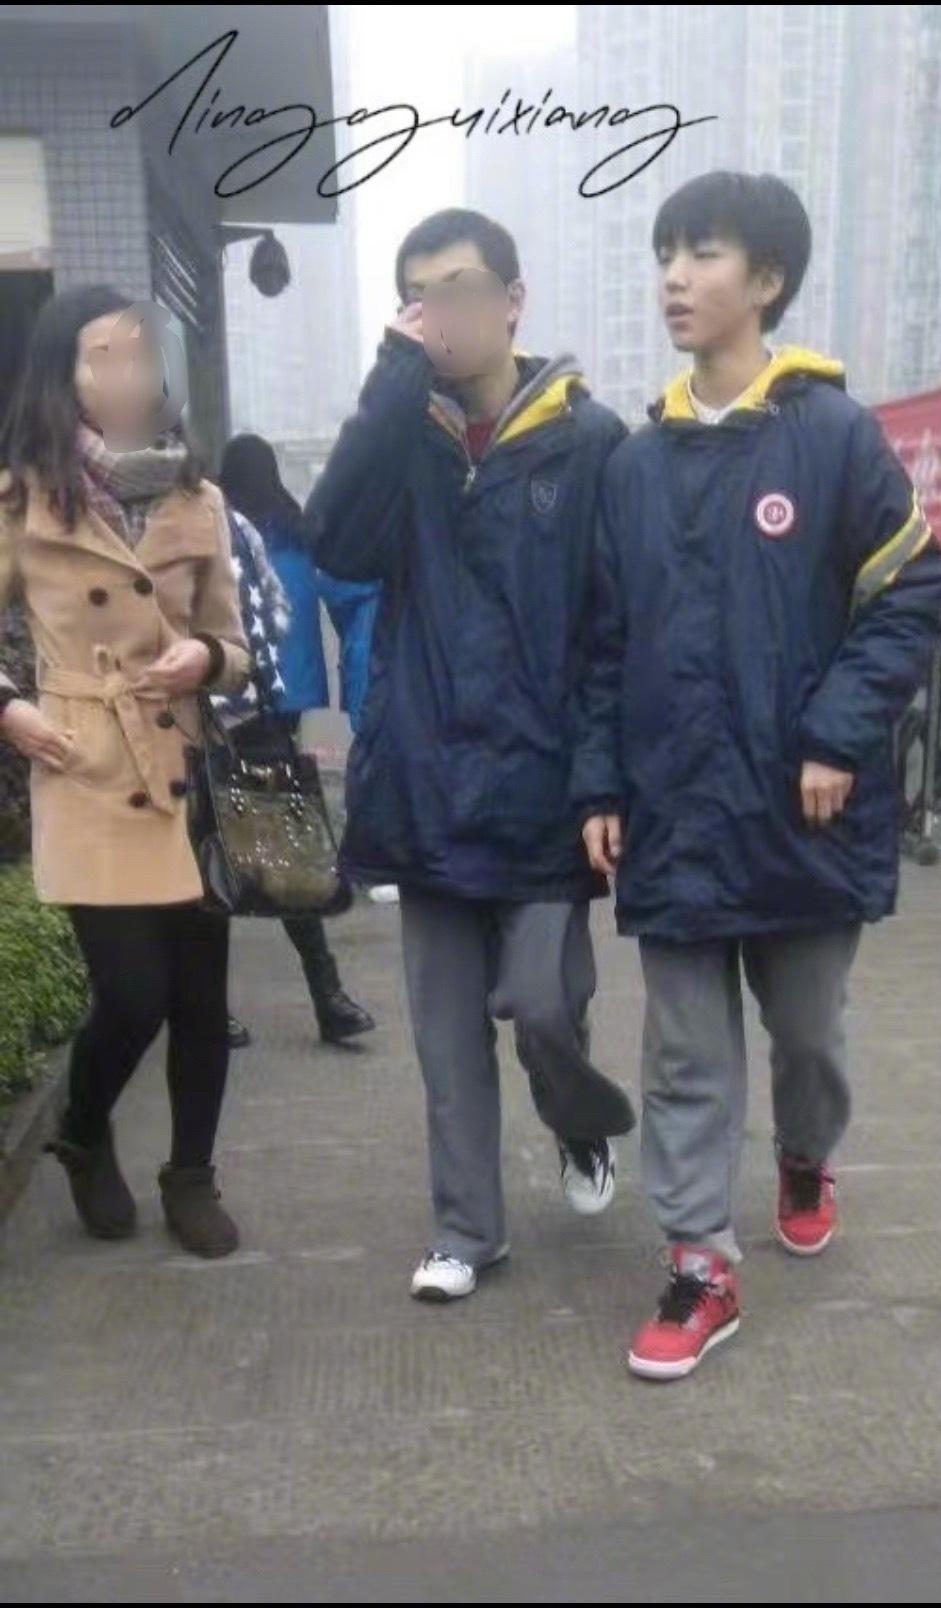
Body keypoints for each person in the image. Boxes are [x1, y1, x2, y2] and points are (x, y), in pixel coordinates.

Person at [572, 172, 941, 1378]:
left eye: (704, 254)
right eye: (666, 254)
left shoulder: (831, 436)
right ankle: (700, 1261)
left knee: (807, 1035)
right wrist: (599, 785)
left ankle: (803, 1153)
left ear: (769, 280)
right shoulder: (635, 464)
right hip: (676, 815)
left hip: (803, 812)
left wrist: (837, 735)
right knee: (685, 1055)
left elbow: (913, 589)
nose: (676, 277)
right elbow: (604, 644)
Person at [305, 208, 636, 1302]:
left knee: (543, 1006)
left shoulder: (588, 442)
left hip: (544, 790)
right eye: (416, 298)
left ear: (512, 299)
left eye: (455, 290)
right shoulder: (406, 441)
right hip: (428, 784)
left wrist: (603, 777)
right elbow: (334, 542)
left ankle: (578, 1121)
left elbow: (614, 628)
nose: (438, 315)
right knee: (448, 1041)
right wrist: (389, 385)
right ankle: (466, 1230)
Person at [0, 284, 251, 1258]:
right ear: (63, 375)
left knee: (200, 1001)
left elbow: (235, 646)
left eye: (141, 357)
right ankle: (80, 1127)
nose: (126, 376)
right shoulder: (22, 497)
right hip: (86, 766)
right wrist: (12, 709)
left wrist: (205, 659)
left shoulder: (198, 496)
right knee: (133, 995)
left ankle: (191, 1176)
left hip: (183, 764)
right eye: (101, 357)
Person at [215, 435, 376, 1048]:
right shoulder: (296, 531)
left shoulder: (223, 530)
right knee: (280, 851)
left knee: (219, 853)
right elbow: (339, 603)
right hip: (270, 707)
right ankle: (326, 996)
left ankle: (216, 1007)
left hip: (226, 709)